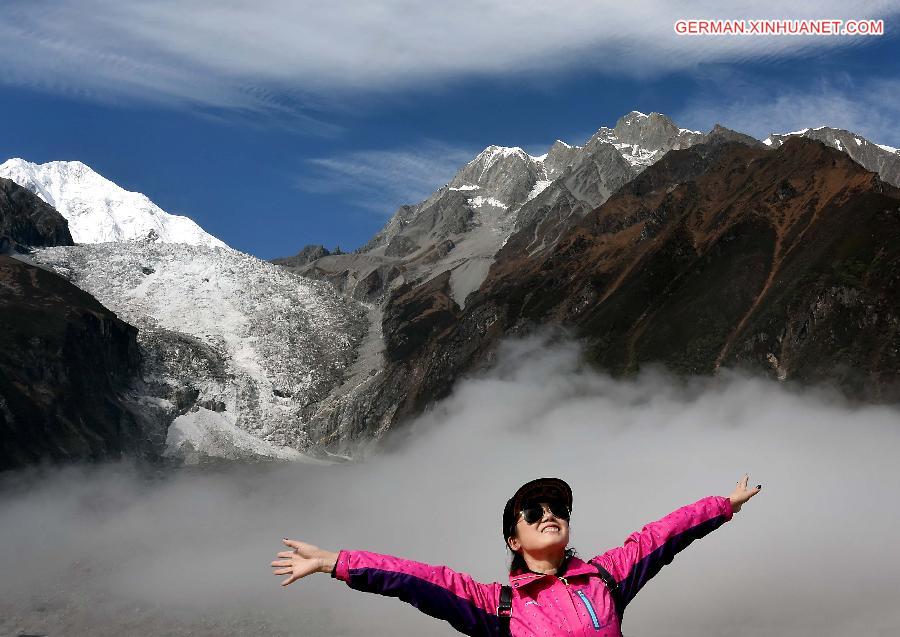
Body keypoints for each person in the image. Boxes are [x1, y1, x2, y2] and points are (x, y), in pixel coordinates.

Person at [271, 474, 761, 636]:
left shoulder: (606, 578)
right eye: (534, 511)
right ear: (514, 539)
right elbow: (414, 577)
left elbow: (660, 536)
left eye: (557, 508)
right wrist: (334, 561)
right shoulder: (497, 606)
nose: (549, 514)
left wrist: (723, 506)